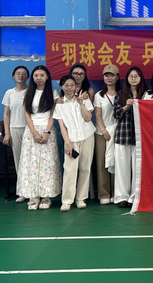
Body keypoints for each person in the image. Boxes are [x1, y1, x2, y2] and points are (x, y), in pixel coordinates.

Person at [16, 65, 61, 211]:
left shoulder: (53, 93)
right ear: (33, 78)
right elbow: (27, 114)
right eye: (36, 75)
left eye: (42, 75)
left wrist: (47, 132)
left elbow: (53, 114)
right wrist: (34, 133)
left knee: (48, 164)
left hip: (48, 130)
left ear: (47, 77)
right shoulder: (28, 93)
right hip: (31, 131)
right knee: (31, 164)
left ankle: (46, 196)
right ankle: (33, 196)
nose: (39, 78)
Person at [54, 75, 96, 212]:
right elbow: (62, 126)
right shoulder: (59, 104)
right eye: (66, 85)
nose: (70, 88)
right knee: (70, 169)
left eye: (72, 85)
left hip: (87, 136)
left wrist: (82, 104)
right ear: (61, 86)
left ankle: (81, 198)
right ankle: (67, 201)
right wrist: (68, 143)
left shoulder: (83, 98)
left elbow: (88, 118)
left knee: (85, 168)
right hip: (71, 140)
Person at [113, 67, 146, 208]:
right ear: (126, 78)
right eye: (131, 76)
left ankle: (134, 196)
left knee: (137, 168)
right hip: (123, 135)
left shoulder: (146, 95)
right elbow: (116, 114)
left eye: (136, 76)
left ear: (141, 78)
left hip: (140, 137)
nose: (133, 78)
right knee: (122, 167)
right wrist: (126, 106)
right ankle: (121, 197)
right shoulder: (120, 94)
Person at [1, 65, 29, 203]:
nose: (21, 76)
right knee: (18, 160)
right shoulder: (9, 93)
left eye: (24, 74)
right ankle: (22, 191)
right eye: (18, 73)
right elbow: (6, 114)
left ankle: (33, 191)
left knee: (30, 159)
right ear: (13, 76)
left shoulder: (31, 91)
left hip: (30, 129)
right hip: (14, 128)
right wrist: (7, 133)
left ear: (27, 76)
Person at [93, 64, 120, 205]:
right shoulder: (99, 95)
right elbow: (97, 115)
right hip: (101, 133)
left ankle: (116, 193)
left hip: (118, 133)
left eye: (112, 75)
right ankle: (104, 193)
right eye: (106, 75)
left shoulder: (122, 93)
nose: (109, 78)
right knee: (102, 163)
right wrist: (104, 131)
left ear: (117, 77)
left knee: (117, 162)